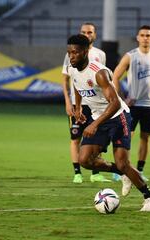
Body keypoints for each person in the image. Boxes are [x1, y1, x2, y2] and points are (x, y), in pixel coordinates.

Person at [67, 34, 150, 211]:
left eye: (75, 53)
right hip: (98, 118)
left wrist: (94, 125)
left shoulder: (99, 73)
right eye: (69, 53)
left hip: (118, 117)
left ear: (85, 52)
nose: (71, 56)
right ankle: (121, 173)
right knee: (85, 160)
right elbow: (77, 86)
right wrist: (78, 108)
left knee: (123, 162)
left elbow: (115, 102)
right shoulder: (72, 68)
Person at [112, 25, 150, 181]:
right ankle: (120, 168)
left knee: (145, 138)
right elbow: (115, 77)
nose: (145, 38)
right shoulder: (130, 56)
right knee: (126, 137)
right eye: (142, 35)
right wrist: (122, 98)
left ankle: (139, 170)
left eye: (148, 35)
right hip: (132, 105)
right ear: (137, 38)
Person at [62, 23, 110, 183]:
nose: (87, 34)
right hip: (79, 103)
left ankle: (96, 173)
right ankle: (77, 173)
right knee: (75, 138)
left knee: (96, 136)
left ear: (95, 35)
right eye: (83, 32)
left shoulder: (100, 55)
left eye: (89, 32)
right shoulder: (72, 53)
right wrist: (70, 102)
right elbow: (67, 78)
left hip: (95, 104)